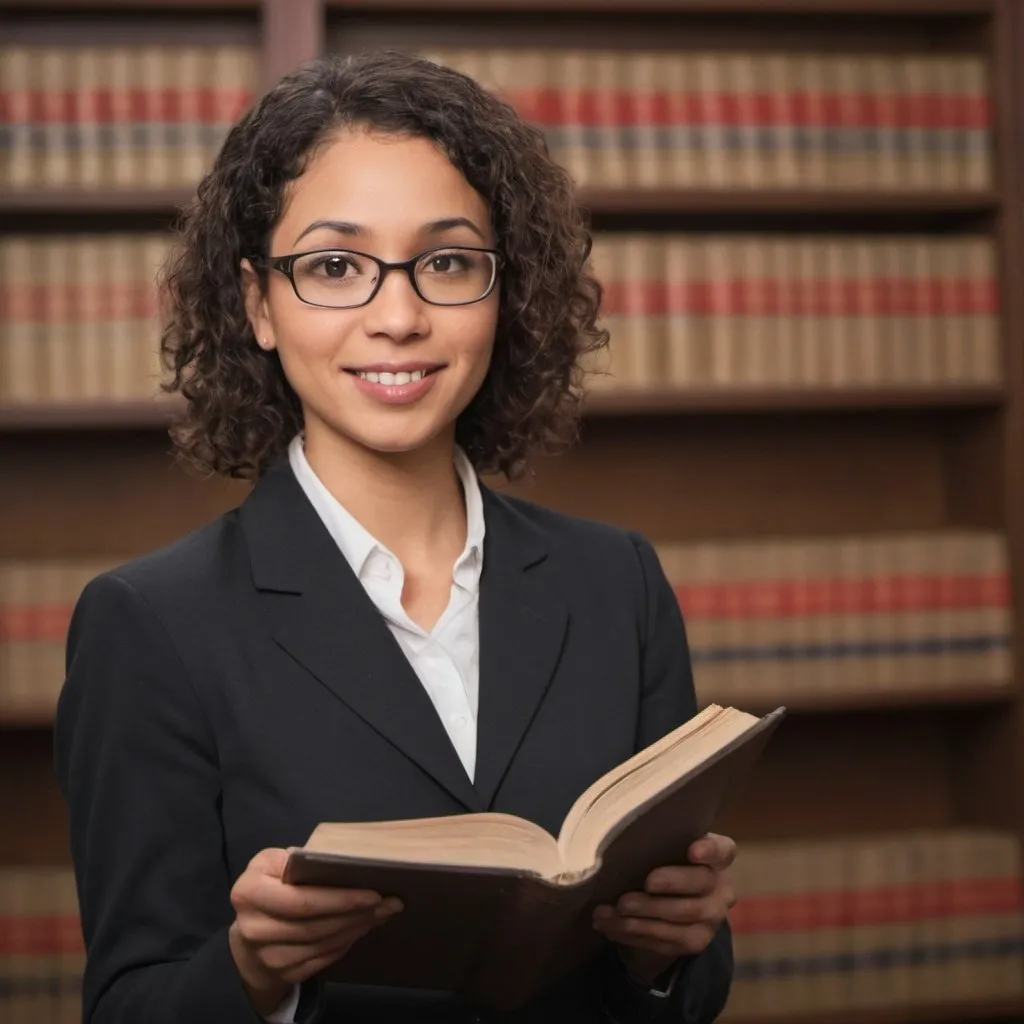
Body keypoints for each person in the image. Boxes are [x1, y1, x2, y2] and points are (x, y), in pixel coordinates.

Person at [53, 50, 737, 1024]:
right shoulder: (149, 626)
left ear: (506, 293)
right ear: (258, 302)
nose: (399, 315)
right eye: (335, 266)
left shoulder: (614, 582)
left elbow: (691, 991)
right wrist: (254, 970)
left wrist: (667, 955)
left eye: (448, 261)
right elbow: (131, 1005)